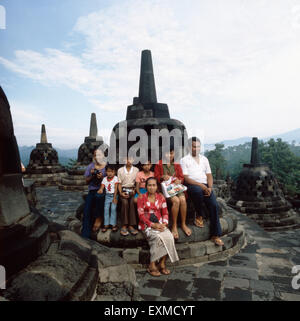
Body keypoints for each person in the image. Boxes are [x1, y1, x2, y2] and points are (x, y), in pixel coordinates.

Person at [180, 137, 224, 246]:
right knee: (197, 191)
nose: (196, 149)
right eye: (194, 146)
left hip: (205, 185)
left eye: (198, 146)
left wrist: (209, 187)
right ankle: (199, 215)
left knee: (214, 205)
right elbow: (186, 178)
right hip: (192, 185)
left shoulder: (204, 159)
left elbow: (209, 175)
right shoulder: (184, 160)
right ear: (189, 147)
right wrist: (201, 186)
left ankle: (216, 235)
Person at [137, 177, 179, 276]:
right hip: (147, 225)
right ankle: (152, 265)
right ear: (146, 186)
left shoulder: (161, 198)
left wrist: (164, 224)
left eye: (154, 185)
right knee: (157, 238)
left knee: (169, 237)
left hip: (160, 224)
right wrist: (152, 225)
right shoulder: (141, 198)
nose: (152, 187)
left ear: (157, 187)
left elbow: (165, 213)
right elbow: (141, 215)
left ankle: (162, 263)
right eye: (149, 185)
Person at [154, 145, 191, 240]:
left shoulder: (177, 164)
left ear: (174, 153)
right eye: (167, 153)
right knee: (176, 201)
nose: (169, 155)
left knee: (182, 200)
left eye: (171, 153)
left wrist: (179, 180)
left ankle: (183, 224)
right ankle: (174, 225)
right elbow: (156, 177)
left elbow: (181, 177)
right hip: (165, 189)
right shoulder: (159, 164)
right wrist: (162, 177)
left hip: (176, 187)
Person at [82, 148, 106, 239]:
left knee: (99, 197)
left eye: (99, 155)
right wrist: (92, 175)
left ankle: (98, 218)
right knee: (87, 210)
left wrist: (102, 177)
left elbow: (111, 180)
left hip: (103, 189)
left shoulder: (107, 167)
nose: (97, 157)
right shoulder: (90, 166)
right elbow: (86, 181)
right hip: (92, 190)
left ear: (103, 156)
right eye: (96, 155)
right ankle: (85, 236)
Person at [117, 156, 139, 236]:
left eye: (130, 158)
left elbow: (137, 183)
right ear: (123, 160)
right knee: (125, 202)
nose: (128, 160)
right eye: (126, 159)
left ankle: (131, 225)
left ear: (133, 160)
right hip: (123, 190)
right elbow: (119, 183)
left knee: (133, 202)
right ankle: (124, 225)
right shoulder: (120, 170)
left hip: (133, 190)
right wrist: (121, 193)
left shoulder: (136, 170)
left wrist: (135, 191)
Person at [97, 164, 119, 232]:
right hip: (107, 196)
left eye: (111, 172)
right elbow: (102, 187)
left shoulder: (115, 178)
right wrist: (100, 190)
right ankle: (106, 225)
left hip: (114, 195)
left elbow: (116, 189)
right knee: (106, 209)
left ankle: (113, 224)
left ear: (114, 172)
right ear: (106, 172)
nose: (110, 173)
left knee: (113, 209)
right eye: (108, 171)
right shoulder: (104, 179)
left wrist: (115, 198)